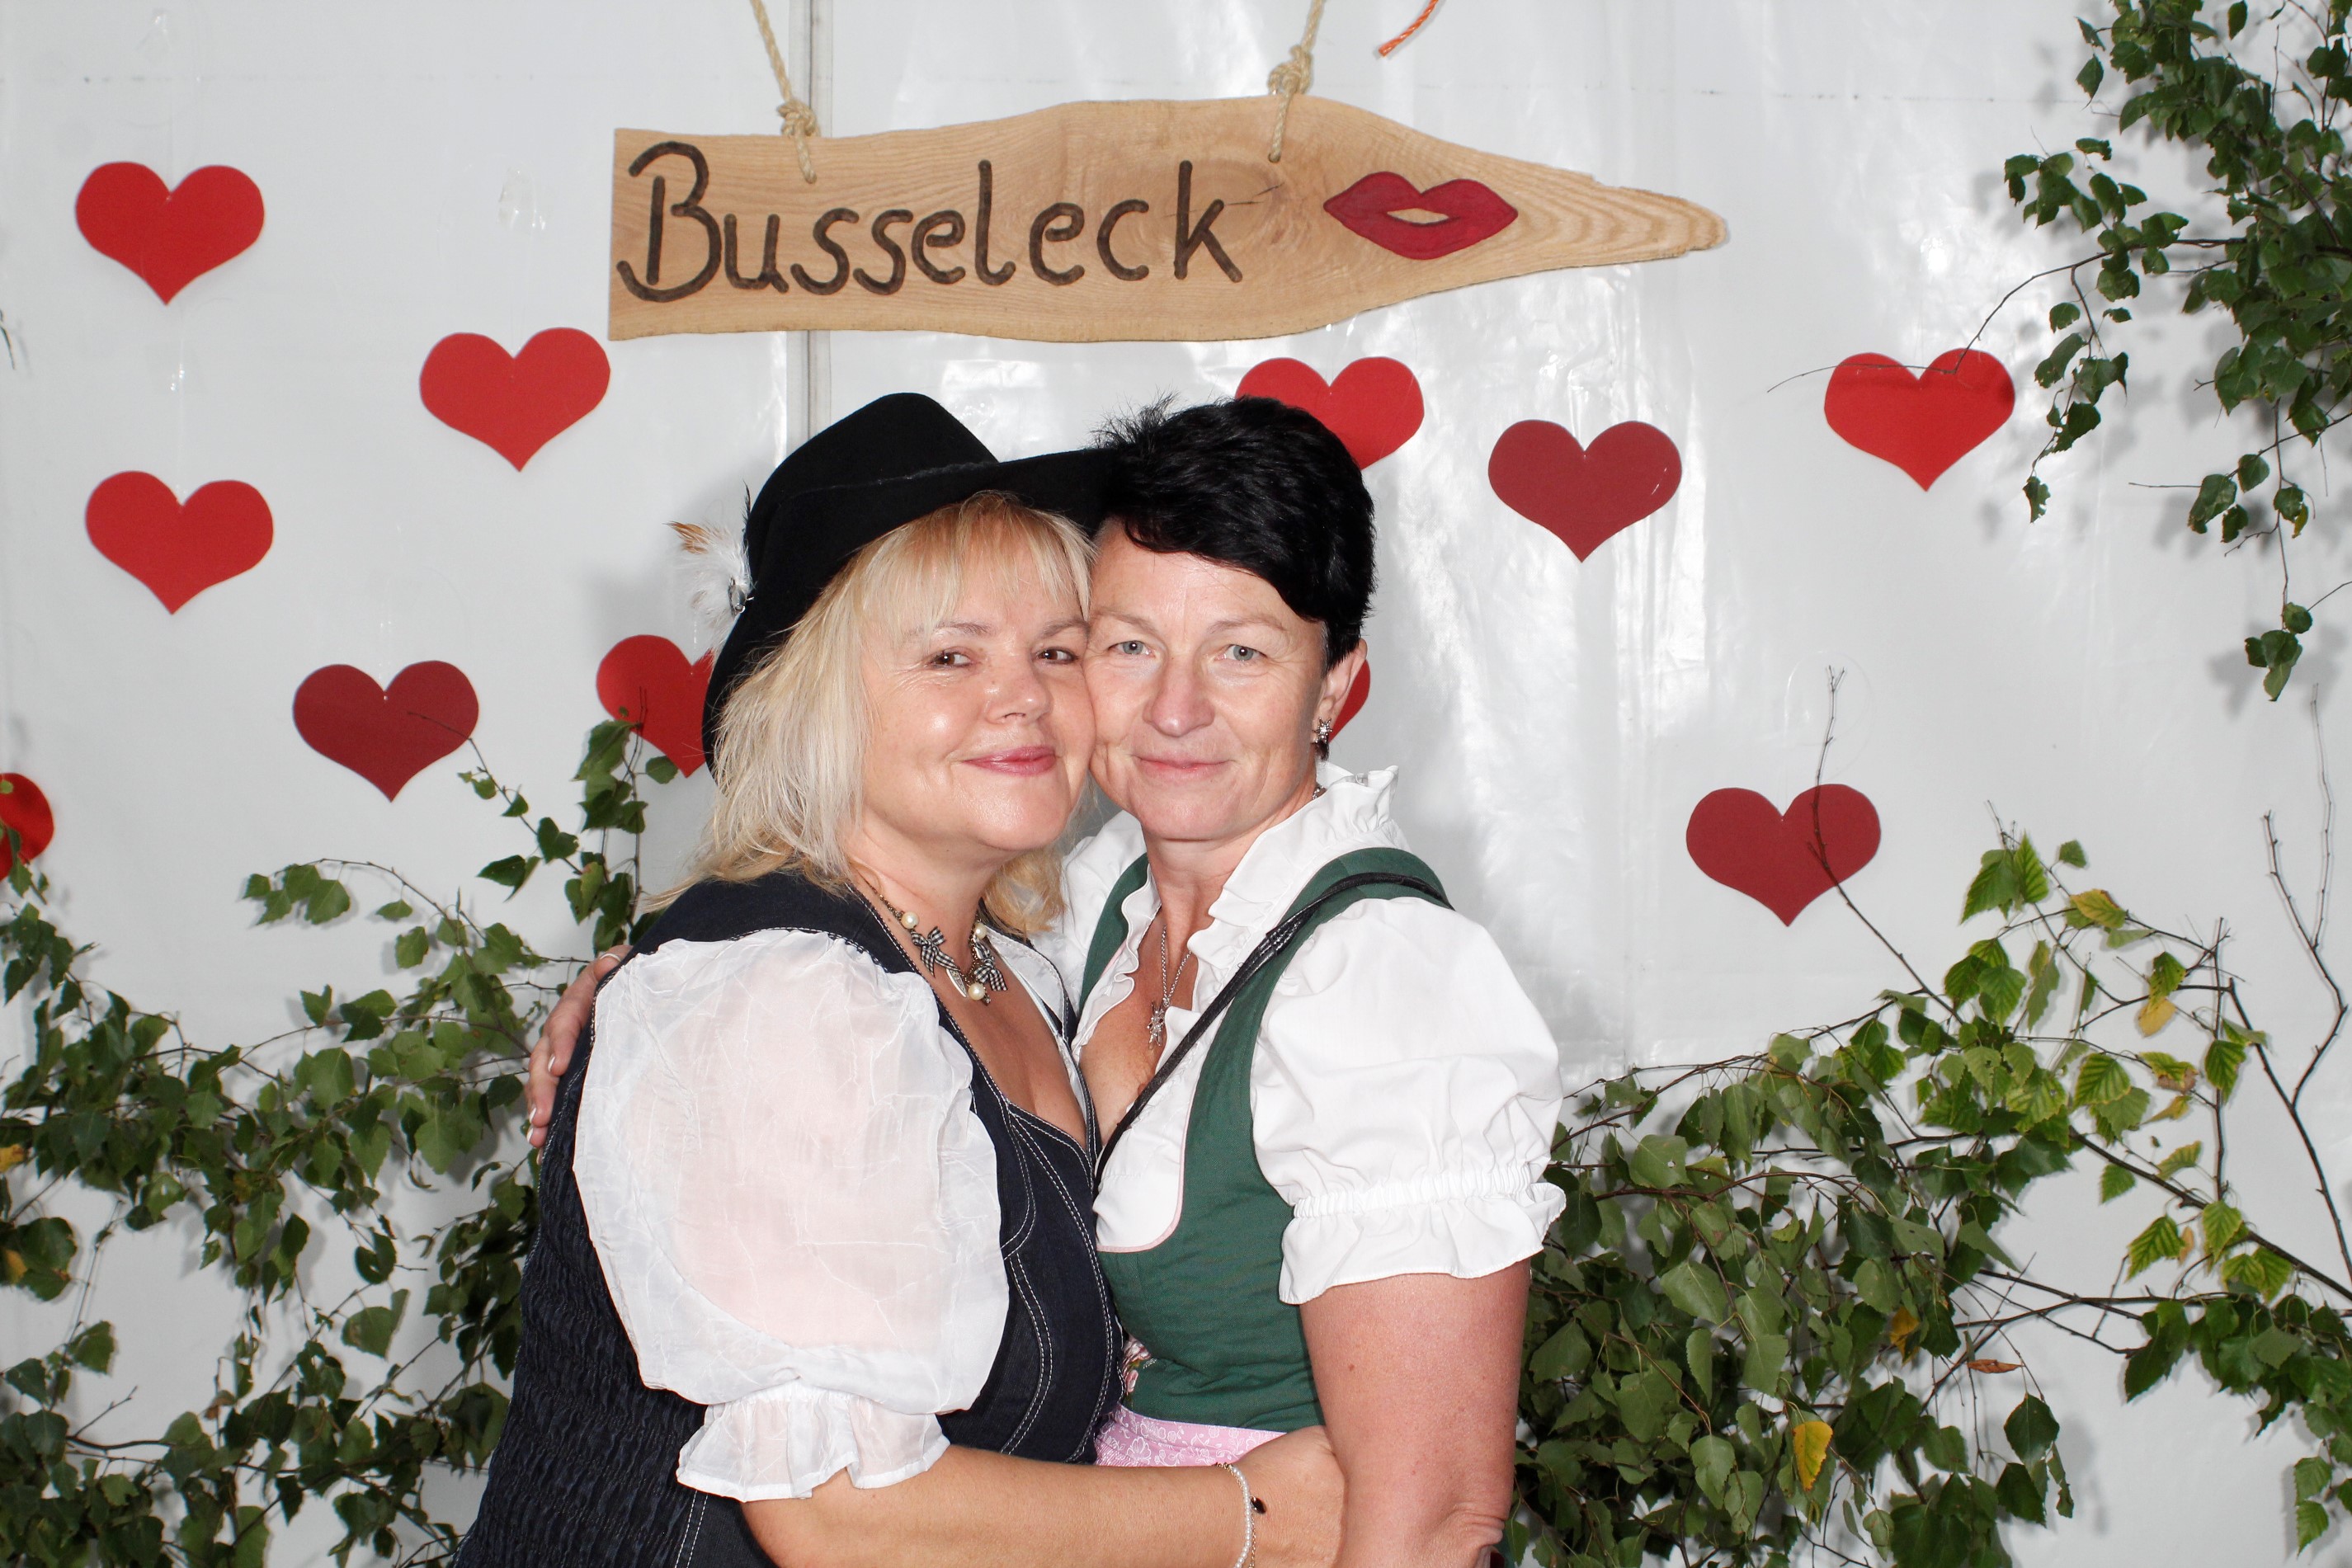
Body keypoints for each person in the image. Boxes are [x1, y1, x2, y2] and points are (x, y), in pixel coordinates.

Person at [530, 394, 1563, 1568]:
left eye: (1057, 650)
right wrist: (1247, 1514)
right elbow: (827, 1507)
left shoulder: (1047, 954)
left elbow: (1436, 1520)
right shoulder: (813, 987)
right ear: (818, 694)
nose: (1026, 696)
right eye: (953, 655)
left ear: (1334, 685)